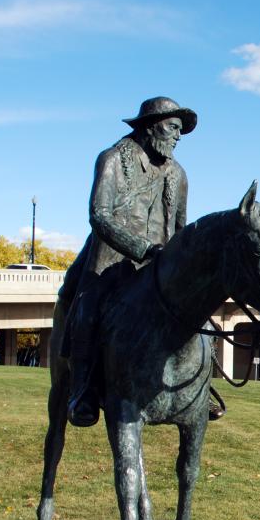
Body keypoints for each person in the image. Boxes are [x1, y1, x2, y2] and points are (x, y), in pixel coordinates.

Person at [62, 97, 210, 427]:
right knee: (88, 310)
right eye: (173, 128)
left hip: (159, 269)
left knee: (200, 319)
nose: (178, 136)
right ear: (150, 126)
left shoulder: (179, 174)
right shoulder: (113, 159)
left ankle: (200, 389)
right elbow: (99, 216)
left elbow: (181, 228)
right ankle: (82, 391)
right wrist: (143, 248)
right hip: (110, 261)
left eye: (180, 131)